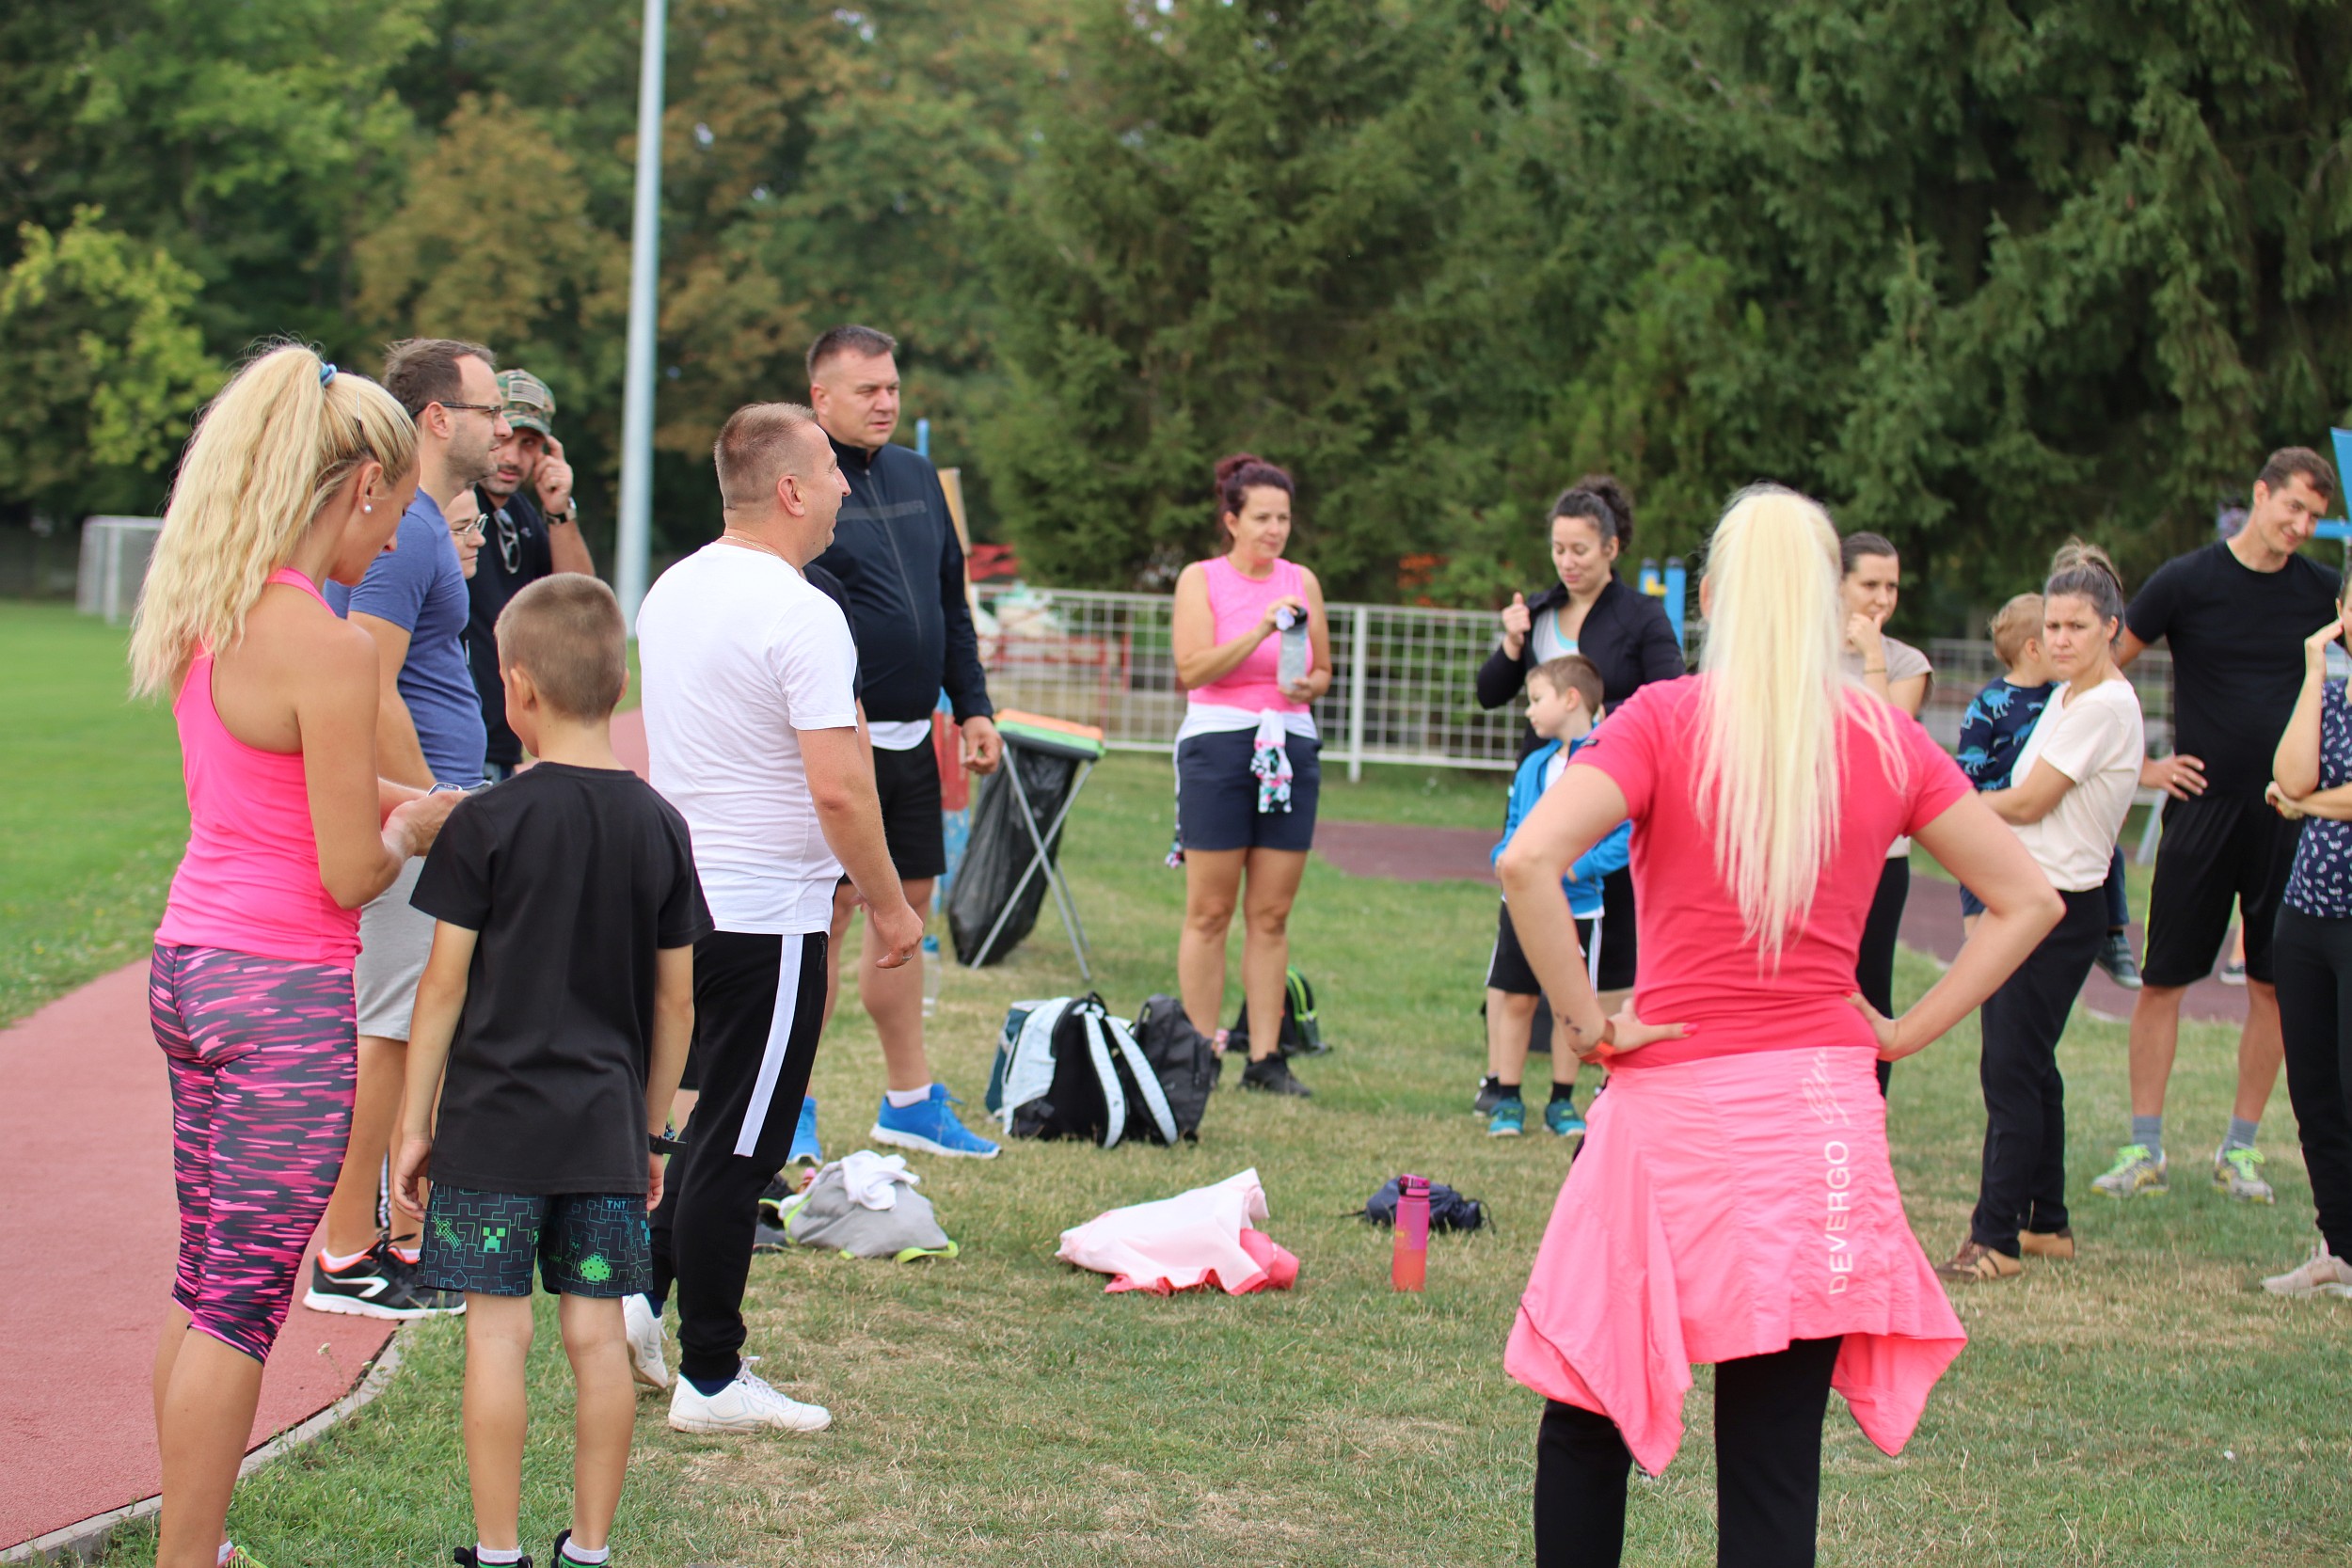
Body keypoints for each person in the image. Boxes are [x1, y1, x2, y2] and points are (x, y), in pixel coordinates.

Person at [1499, 483, 2058, 1568]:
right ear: (1828, 603)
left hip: (1671, 1117)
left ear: (1710, 596)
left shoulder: (1660, 718)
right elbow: (2027, 898)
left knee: (1590, 1406)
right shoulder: (1884, 739)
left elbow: (1528, 859)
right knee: (1772, 1452)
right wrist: (1900, 1031)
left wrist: (1584, 1024)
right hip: (1817, 1118)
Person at [127, 345, 459, 1568]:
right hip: (281, 991)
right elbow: (350, 871)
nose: (396, 539)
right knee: (241, 1303)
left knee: (201, 1278)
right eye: (401, 509)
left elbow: (275, 787)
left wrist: (420, 804)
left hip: (192, 965)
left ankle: (192, 1540)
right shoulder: (328, 643)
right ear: (362, 485)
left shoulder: (214, 608)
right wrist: (410, 829)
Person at [392, 576, 707, 1568]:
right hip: (605, 1129)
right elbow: (677, 1005)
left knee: (497, 1338)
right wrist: (649, 1130)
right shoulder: (660, 825)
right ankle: (591, 1550)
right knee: (597, 1337)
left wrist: (412, 1123)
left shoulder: (483, 822)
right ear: (619, 685)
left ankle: (497, 1553)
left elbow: (441, 986)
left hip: (490, 1131)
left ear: (518, 687)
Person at [633, 402, 925, 1434]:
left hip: (685, 901)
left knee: (712, 1122)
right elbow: (840, 788)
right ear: (790, 489)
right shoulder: (801, 612)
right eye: (831, 471)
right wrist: (890, 906)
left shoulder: (672, 588)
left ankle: (640, 1301)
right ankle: (712, 1375)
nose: (848, 485)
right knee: (742, 1145)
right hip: (768, 916)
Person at [306, 338, 507, 1319]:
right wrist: (428, 806)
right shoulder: (414, 531)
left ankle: (386, 1233)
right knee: (386, 1034)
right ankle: (347, 1252)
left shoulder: (420, 526)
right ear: (436, 418)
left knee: (407, 1029)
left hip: (423, 809)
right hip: (413, 816)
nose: (502, 429)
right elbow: (369, 678)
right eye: (488, 410)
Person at [2098, 447, 2343, 1204]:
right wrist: (2143, 767)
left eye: (2314, 515)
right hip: (2200, 811)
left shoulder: (2323, 591)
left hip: (2288, 816)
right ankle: (2144, 1147)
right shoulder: (2186, 580)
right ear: (2261, 495)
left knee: (2273, 987)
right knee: (2163, 980)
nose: (2301, 525)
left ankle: (2241, 1150)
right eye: (2293, 507)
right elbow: (2101, 668)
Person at [803, 324, 1004, 1159]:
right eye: (868, 390)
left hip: (915, 737)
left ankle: (910, 1101)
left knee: (908, 914)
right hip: (832, 742)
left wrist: (974, 706)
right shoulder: (798, 480)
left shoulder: (918, 475)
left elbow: (951, 602)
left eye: (892, 387)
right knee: (825, 919)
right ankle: (791, 1106)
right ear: (821, 396)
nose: (886, 402)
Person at [1939, 545, 2146, 1283]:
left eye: (2076, 626)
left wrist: (1945, 808)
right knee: (2030, 1066)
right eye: (2053, 625)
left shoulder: (2105, 704)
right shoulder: (2069, 695)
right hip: (2034, 896)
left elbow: (2029, 802)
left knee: (2011, 1071)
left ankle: (1995, 1239)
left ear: (2111, 628)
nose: (2059, 638)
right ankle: (2045, 1222)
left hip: (2055, 906)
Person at [1472, 477, 1681, 1112]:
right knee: (1520, 933)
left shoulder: (1642, 616)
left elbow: (1670, 693)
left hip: (1613, 791)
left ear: (1611, 548)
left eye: (1581, 550)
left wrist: (1606, 722)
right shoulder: (1537, 612)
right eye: (1559, 548)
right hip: (1544, 787)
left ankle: (1604, 1075)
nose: (1568, 561)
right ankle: (1500, 1083)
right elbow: (1490, 691)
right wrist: (1512, 644)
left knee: (1610, 939)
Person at [1170, 452, 1334, 1099]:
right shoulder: (1201, 579)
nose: (1275, 530)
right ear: (1232, 520)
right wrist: (1262, 628)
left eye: (1283, 518)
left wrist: (1308, 683)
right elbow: (1193, 668)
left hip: (1290, 745)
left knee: (1271, 913)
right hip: (1218, 745)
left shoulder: (1302, 580)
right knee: (1210, 910)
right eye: (1262, 518)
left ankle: (1266, 1058)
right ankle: (1198, 1051)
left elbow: (1323, 672)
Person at [1482, 655, 1629, 1139]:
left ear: (1570, 700)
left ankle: (1562, 1102)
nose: (1528, 711)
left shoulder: (1608, 761)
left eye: (1536, 699)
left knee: (1572, 1003)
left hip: (1580, 908)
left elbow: (1624, 833)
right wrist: (1505, 858)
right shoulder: (1534, 766)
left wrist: (1578, 867)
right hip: (1522, 908)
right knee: (1516, 997)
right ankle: (1507, 1097)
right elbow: (1514, 826)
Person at [2256, 591, 2352, 1295]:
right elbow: (2290, 773)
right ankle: (2339, 1248)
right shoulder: (2332, 694)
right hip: (2307, 911)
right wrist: (2316, 668)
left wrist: (2302, 804)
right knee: (2315, 1090)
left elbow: (2296, 794)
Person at [1836, 532, 1933, 1095]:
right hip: (1809, 850)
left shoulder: (1904, 662)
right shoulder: (1801, 652)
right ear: (1838, 583)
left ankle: (1868, 1111)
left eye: (1891, 587)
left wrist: (1872, 658)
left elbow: (1888, 746)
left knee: (1869, 988)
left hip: (1880, 855)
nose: (1882, 598)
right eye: (1869, 584)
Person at [466, 369, 594, 780]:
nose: (511, 458)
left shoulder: (520, 514)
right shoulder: (456, 504)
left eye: (529, 444)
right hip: (454, 744)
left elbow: (579, 603)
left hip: (501, 744)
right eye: (504, 437)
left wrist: (559, 508)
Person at [1953, 594, 2053, 933]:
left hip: (2037, 826)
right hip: (1991, 823)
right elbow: (1968, 768)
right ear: (2033, 648)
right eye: (2054, 633)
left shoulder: (2062, 696)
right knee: (1981, 914)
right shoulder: (1985, 705)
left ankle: (2114, 932)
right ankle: (1974, 937)